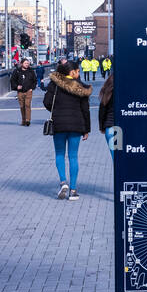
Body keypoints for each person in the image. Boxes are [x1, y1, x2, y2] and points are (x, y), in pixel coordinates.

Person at [43, 60, 91, 201]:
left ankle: (63, 182)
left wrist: (56, 109)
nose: (79, 73)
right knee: (73, 156)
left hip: (58, 124)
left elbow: (47, 102)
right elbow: (85, 110)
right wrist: (86, 129)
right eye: (77, 71)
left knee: (59, 154)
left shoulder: (55, 84)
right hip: (76, 125)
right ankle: (73, 190)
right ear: (72, 72)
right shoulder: (81, 86)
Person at [10, 57, 37, 126]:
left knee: (27, 105)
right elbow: (12, 80)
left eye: (28, 63)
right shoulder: (17, 71)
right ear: (21, 64)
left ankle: (28, 120)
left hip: (28, 91)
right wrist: (16, 86)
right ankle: (23, 120)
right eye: (25, 63)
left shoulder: (31, 71)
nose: (27, 64)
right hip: (20, 91)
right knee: (22, 106)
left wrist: (32, 88)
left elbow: (35, 80)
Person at [98, 66, 117, 158]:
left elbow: (102, 111)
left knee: (116, 161)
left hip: (110, 128)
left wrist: (102, 127)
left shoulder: (108, 91)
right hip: (121, 129)